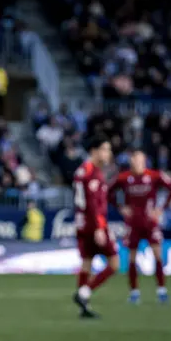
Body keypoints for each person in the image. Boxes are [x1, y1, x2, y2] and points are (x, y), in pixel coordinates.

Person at [109, 149, 171, 305]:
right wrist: (120, 207)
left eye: (139, 160)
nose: (136, 163)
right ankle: (134, 292)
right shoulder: (124, 177)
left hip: (150, 222)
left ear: (144, 161)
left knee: (158, 255)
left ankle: (161, 291)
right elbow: (108, 191)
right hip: (132, 224)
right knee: (132, 258)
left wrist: (161, 208)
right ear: (131, 161)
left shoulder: (154, 175)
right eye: (134, 160)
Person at [72, 135, 118, 318]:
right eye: (105, 149)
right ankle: (84, 293)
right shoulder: (91, 172)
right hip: (93, 224)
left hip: (82, 223)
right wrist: (99, 227)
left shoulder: (83, 170)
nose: (109, 153)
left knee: (87, 263)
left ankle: (84, 307)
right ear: (94, 151)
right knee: (114, 263)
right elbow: (92, 204)